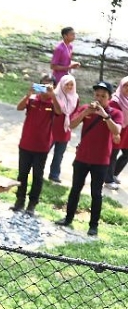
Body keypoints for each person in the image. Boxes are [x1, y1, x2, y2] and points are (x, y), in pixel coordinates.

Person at [57, 81, 123, 236]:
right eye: (97, 95)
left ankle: (93, 226)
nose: (99, 98)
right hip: (82, 157)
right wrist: (84, 114)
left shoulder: (115, 113)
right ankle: (68, 218)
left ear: (110, 98)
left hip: (100, 160)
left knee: (96, 193)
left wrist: (105, 116)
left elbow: (116, 130)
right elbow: (71, 125)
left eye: (103, 96)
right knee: (75, 189)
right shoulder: (85, 109)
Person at [12, 75, 56, 215]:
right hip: (25, 144)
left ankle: (32, 204)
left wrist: (53, 95)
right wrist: (28, 94)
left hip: (42, 147)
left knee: (37, 176)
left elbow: (61, 112)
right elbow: (18, 107)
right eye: (42, 85)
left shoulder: (53, 103)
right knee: (22, 174)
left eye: (48, 86)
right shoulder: (32, 100)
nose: (44, 89)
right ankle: (19, 201)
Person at [49, 74, 78, 183]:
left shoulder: (75, 98)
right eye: (67, 84)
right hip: (52, 128)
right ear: (61, 84)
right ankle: (36, 170)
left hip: (65, 130)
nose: (69, 87)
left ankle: (54, 174)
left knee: (59, 154)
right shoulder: (55, 95)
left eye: (71, 85)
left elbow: (74, 113)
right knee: (44, 151)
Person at [104, 75, 128, 190]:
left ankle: (113, 174)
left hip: (125, 131)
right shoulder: (115, 100)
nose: (127, 88)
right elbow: (111, 117)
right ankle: (108, 180)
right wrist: (115, 133)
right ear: (121, 86)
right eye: (126, 86)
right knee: (113, 154)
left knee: (126, 153)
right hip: (115, 131)